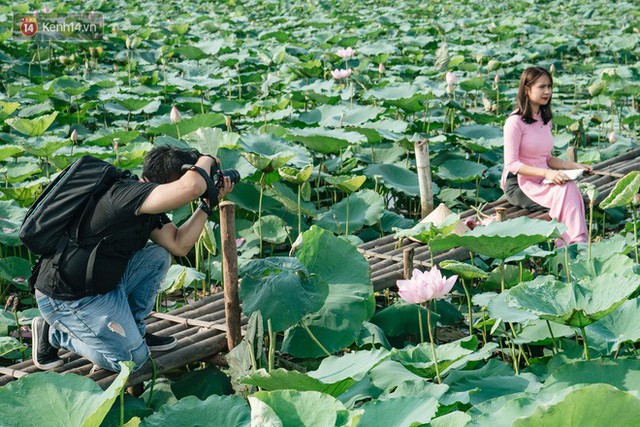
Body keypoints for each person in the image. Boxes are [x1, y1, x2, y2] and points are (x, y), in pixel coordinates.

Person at [31, 146, 234, 372]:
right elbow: (192, 187)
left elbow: (179, 244)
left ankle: (135, 332)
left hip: (101, 286)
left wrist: (207, 205)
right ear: (179, 177)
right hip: (67, 297)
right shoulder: (126, 195)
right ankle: (55, 335)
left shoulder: (145, 202)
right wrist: (207, 159)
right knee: (132, 361)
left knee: (157, 255)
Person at [501, 66, 592, 245]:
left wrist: (572, 166)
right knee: (567, 190)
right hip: (520, 184)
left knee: (569, 186)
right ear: (527, 90)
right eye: (542, 87)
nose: (547, 91)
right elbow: (511, 164)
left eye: (549, 86)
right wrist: (547, 173)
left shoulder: (545, 119)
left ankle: (574, 242)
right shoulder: (514, 122)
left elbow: (546, 159)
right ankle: (573, 243)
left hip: (544, 180)